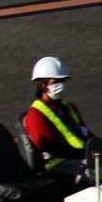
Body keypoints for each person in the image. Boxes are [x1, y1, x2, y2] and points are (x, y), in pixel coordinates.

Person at [21, 56, 94, 184]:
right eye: (55, 82)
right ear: (42, 85)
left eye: (63, 81)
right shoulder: (34, 115)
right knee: (96, 174)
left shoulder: (69, 107)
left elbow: (86, 135)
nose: (61, 86)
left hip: (79, 159)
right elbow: (50, 147)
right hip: (58, 165)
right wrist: (84, 155)